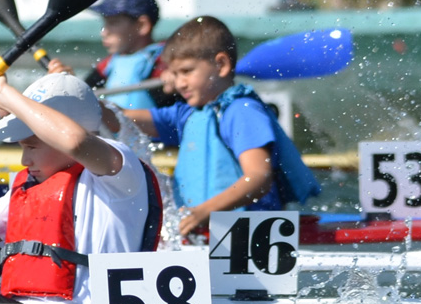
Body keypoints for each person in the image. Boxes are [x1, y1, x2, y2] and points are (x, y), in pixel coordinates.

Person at [0, 71, 162, 302]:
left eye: (32, 147)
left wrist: (3, 93)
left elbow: (75, 141)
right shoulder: (31, 188)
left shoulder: (121, 170)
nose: (25, 161)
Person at [123, 16, 320, 238]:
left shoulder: (241, 111)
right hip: (205, 235)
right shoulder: (189, 114)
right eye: (175, 74)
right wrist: (82, 98)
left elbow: (258, 177)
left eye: (187, 71)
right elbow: (122, 119)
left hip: (249, 238)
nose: (179, 83)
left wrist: (204, 212)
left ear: (221, 65)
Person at [50, 0, 174, 111]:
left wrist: (177, 78)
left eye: (113, 23)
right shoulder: (107, 66)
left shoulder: (166, 63)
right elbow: (82, 97)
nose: (104, 32)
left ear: (142, 26)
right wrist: (70, 83)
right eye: (105, 23)